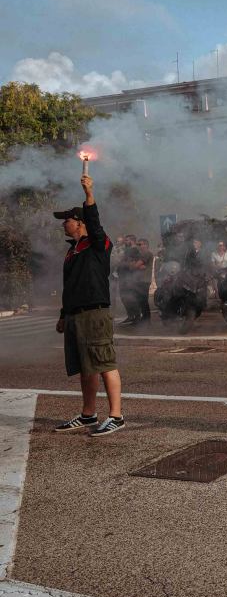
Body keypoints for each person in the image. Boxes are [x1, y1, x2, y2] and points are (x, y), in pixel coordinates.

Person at [52, 174, 125, 437]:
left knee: (104, 363)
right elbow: (70, 285)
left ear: (80, 222)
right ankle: (88, 413)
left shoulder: (97, 244)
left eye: (67, 220)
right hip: (76, 315)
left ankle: (116, 416)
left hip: (95, 313)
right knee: (86, 365)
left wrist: (89, 194)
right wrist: (64, 314)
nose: (63, 224)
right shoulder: (72, 250)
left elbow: (95, 223)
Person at [128, 238, 154, 324]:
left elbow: (133, 265)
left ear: (145, 245)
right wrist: (136, 265)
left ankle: (146, 319)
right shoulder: (140, 254)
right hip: (139, 280)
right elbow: (130, 264)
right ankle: (145, 318)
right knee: (140, 300)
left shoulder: (146, 253)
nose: (138, 246)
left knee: (143, 300)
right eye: (138, 244)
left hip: (143, 280)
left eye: (140, 244)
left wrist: (135, 265)